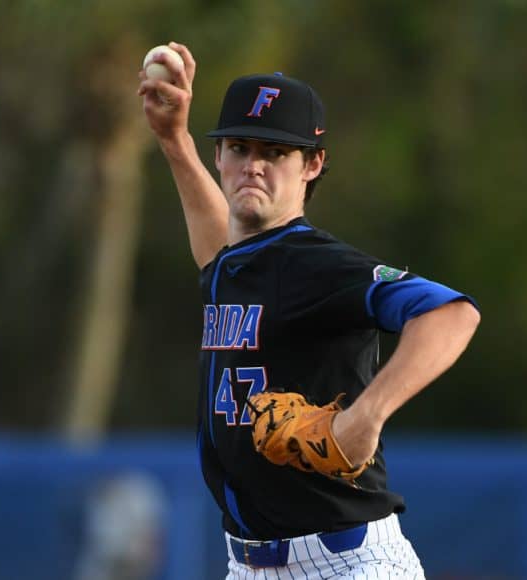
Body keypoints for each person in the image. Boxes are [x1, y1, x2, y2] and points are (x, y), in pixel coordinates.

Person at [138, 42, 480, 579]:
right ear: (219, 156)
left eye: (274, 153)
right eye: (240, 147)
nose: (253, 165)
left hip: (346, 563)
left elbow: (452, 315)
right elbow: (217, 251)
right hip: (249, 566)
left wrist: (365, 416)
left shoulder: (316, 264)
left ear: (312, 164)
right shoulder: (237, 264)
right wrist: (174, 138)